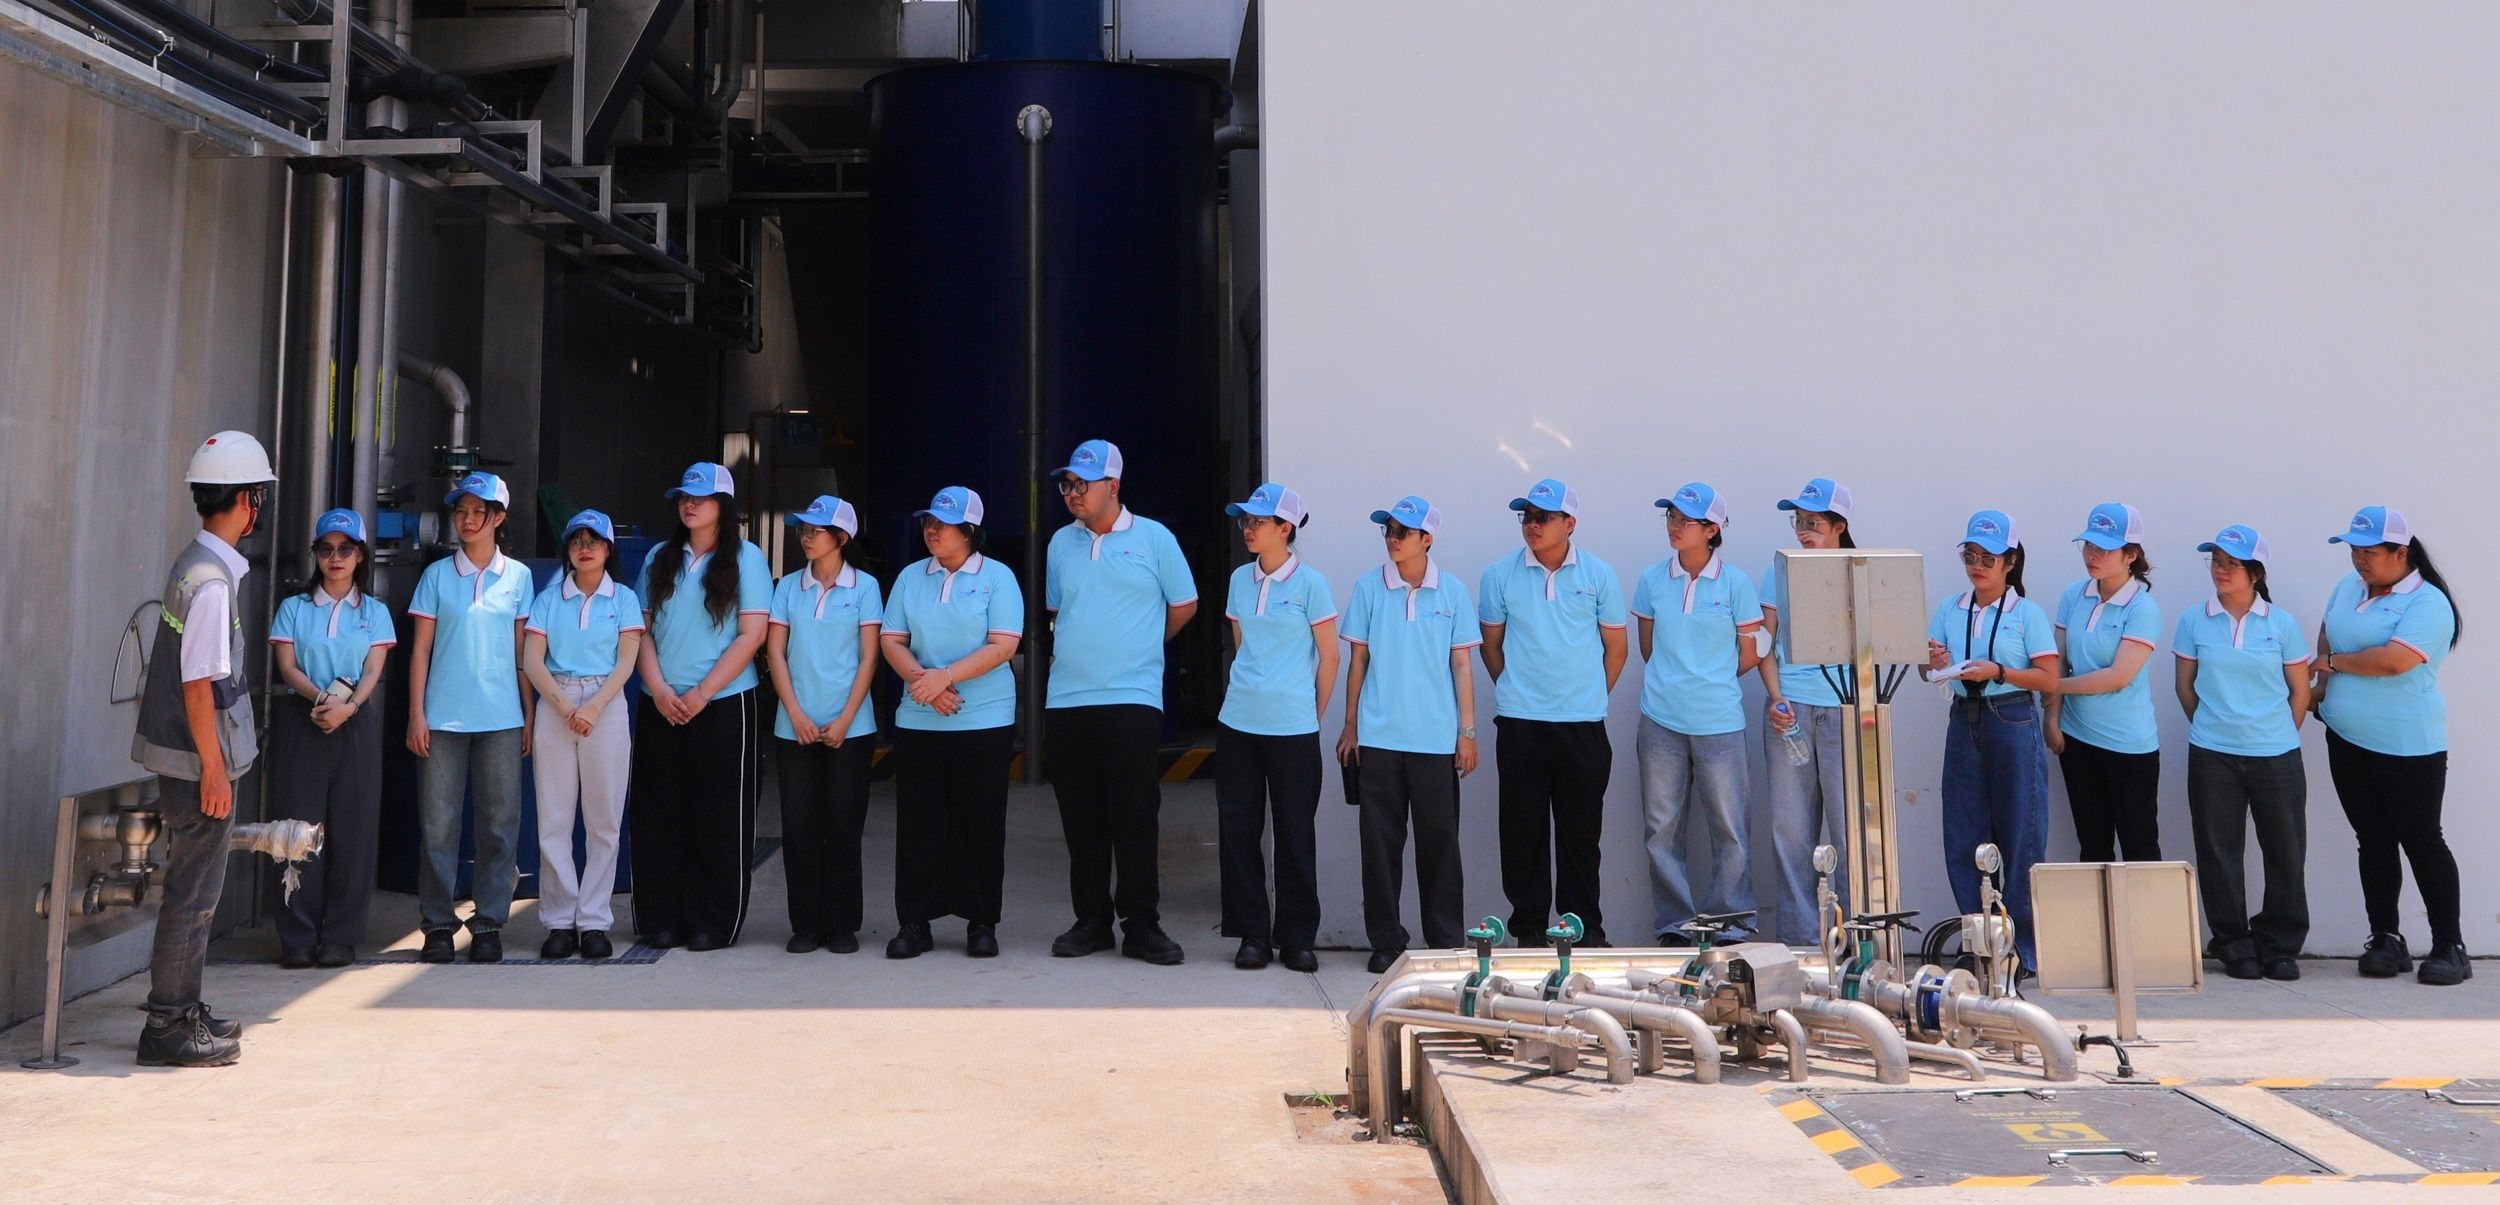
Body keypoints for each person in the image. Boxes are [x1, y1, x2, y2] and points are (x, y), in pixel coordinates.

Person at [130, 430, 275, 1066]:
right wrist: (214, 772)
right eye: (258, 494)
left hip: (190, 759)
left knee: (193, 892)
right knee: (193, 896)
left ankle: (183, 1008)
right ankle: (168, 1024)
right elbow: (198, 688)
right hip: (199, 766)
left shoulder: (195, 563)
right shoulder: (212, 584)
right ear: (248, 501)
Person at [1042, 439, 1199, 965]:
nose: (1072, 493)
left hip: (1132, 697)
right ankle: (1091, 920)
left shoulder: (1154, 538)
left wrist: (1142, 642)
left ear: (1113, 485)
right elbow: (1057, 611)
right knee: (1080, 817)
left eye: (1082, 484)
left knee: (1134, 815)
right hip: (1068, 699)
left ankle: (1141, 924)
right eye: (1067, 484)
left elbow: (1184, 605)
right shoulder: (1060, 543)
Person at [2316, 506, 2467, 985]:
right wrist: (2320, 690)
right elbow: (2329, 630)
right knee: (2373, 839)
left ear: (2401, 552)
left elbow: (2393, 661)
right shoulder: (2350, 587)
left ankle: (2449, 945)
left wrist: (2332, 665)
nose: (2359, 560)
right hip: (2346, 737)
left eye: (2370, 551)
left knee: (2422, 841)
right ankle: (2385, 938)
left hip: (2407, 746)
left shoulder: (2428, 603)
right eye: (2354, 550)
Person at [1478, 478, 1627, 947]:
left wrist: (1586, 696)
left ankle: (1583, 932)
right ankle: (1527, 932)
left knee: (1580, 836)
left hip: (1582, 726)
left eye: (1543, 517)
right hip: (1521, 723)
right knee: (1522, 834)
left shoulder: (1599, 574)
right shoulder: (1499, 574)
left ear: (1570, 523)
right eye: (1526, 516)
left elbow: (1617, 649)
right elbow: (1491, 646)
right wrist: (1516, 691)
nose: (1532, 525)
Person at [632, 462, 771, 951]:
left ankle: (713, 920)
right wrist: (659, 689)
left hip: (724, 703)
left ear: (723, 506)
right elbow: (640, 631)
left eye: (701, 498)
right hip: (661, 703)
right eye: (683, 497)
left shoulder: (748, 559)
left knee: (720, 818)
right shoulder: (659, 557)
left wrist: (702, 692)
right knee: (658, 813)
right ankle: (661, 917)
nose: (689, 505)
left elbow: (752, 635)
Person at [1340, 495, 1482, 975]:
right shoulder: (1369, 586)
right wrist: (1351, 725)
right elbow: (1358, 660)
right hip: (1380, 737)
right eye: (1388, 530)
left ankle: (1444, 940)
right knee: (1380, 847)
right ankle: (1386, 941)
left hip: (1436, 739)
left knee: (1440, 843)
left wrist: (1466, 732)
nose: (1393, 539)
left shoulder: (1452, 591)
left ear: (1427, 538)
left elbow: (1461, 664)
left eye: (1403, 532)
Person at [880, 487, 1023, 958]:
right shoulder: (910, 577)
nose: (932, 530)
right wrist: (925, 683)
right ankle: (914, 922)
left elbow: (1003, 645)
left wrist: (944, 677)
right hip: (920, 717)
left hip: (983, 718)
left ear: (970, 531)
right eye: (928, 522)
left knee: (980, 820)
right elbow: (892, 640)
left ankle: (981, 922)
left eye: (942, 523)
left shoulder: (998, 577)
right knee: (918, 822)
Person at [405, 471, 535, 964]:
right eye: (461, 511)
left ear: (499, 518)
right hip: (441, 719)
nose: (468, 519)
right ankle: (438, 924)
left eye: (479, 511)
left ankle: (488, 924)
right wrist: (416, 713)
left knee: (500, 826)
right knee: (438, 827)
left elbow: (523, 654)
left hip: (502, 718)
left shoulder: (519, 577)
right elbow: (420, 650)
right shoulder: (437, 575)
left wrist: (528, 714)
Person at [1925, 509, 2060, 971]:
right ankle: (1979, 943)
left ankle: (2022, 950)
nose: (1977, 566)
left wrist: (1999, 671)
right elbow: (1927, 667)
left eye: (1989, 557)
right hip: (1964, 716)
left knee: (2020, 833)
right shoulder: (1950, 607)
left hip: (2012, 716)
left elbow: (2048, 678)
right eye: (1970, 556)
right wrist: (1935, 660)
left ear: (2011, 562)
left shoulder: (2027, 613)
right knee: (1964, 833)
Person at [2174, 525, 2311, 981]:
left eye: (2232, 563)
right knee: (2218, 850)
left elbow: (2299, 692)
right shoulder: (2194, 620)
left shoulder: (2282, 623)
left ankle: (2280, 945)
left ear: (2256, 572)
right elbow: (2185, 687)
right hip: (2213, 752)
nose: (2221, 570)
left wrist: (2273, 734)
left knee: (2286, 850)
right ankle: (2233, 943)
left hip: (2277, 753)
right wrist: (2215, 728)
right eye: (2216, 561)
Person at [1631, 482, 1765, 946]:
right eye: (1671, 517)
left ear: (1712, 530)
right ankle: (1675, 926)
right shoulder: (1652, 578)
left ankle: (1730, 924)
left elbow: (1750, 652)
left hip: (1719, 723)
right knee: (1660, 830)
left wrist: (1710, 680)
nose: (1674, 526)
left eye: (1685, 520)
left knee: (1730, 830)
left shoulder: (1736, 583)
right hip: (1660, 720)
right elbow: (1648, 646)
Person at [1215, 484, 1338, 972]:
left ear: (1285, 528)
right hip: (1238, 724)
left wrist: (1310, 713)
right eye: (1245, 521)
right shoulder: (1239, 580)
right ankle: (1252, 935)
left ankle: (1297, 937)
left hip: (1293, 729)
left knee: (1294, 834)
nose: (1248, 529)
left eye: (1258, 521)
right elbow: (1242, 644)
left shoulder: (1312, 584)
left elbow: (1329, 658)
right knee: (1239, 832)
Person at [266, 508, 395, 968]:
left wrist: (349, 707)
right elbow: (287, 667)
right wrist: (322, 699)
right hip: (303, 718)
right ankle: (297, 934)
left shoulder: (375, 612)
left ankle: (341, 934)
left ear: (360, 555)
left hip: (354, 721)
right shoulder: (294, 608)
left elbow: (373, 671)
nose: (335, 558)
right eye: (326, 549)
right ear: (315, 554)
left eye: (345, 549)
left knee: (353, 828)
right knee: (295, 829)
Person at [521, 510, 644, 961]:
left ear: (608, 549)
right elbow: (532, 660)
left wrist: (592, 707)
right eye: (576, 541)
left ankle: (593, 921)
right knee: (553, 820)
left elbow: (627, 661)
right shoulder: (549, 599)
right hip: (556, 703)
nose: (585, 548)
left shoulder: (624, 599)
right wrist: (564, 706)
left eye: (594, 541)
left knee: (604, 820)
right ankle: (558, 921)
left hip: (605, 706)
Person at [765, 495, 882, 955]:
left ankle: (842, 923)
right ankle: (805, 924)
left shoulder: (865, 587)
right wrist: (794, 712)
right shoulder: (788, 588)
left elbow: (869, 657)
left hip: (851, 725)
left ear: (842, 537)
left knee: (844, 825)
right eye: (803, 530)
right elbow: (775, 652)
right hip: (793, 724)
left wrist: (846, 717)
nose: (806, 537)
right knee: (799, 827)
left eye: (815, 530)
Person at [1756, 477, 1855, 947]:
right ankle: (1800, 943)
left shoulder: (1860, 571)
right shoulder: (1778, 570)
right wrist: (1776, 697)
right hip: (1790, 710)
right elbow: (1764, 642)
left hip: (1844, 711)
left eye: (1813, 523)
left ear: (1839, 526)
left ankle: (1856, 937)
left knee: (1851, 832)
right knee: (1791, 832)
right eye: (1798, 521)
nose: (1803, 531)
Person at [2045, 502, 2164, 862]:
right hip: (2077, 740)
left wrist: (2051, 686)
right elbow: (2059, 659)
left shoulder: (2142, 608)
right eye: (2088, 545)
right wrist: (2052, 719)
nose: (2092, 555)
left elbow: (2118, 677)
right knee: (2093, 847)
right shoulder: (2074, 594)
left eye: (2104, 548)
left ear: (2131, 555)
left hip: (2128, 746)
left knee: (2139, 848)